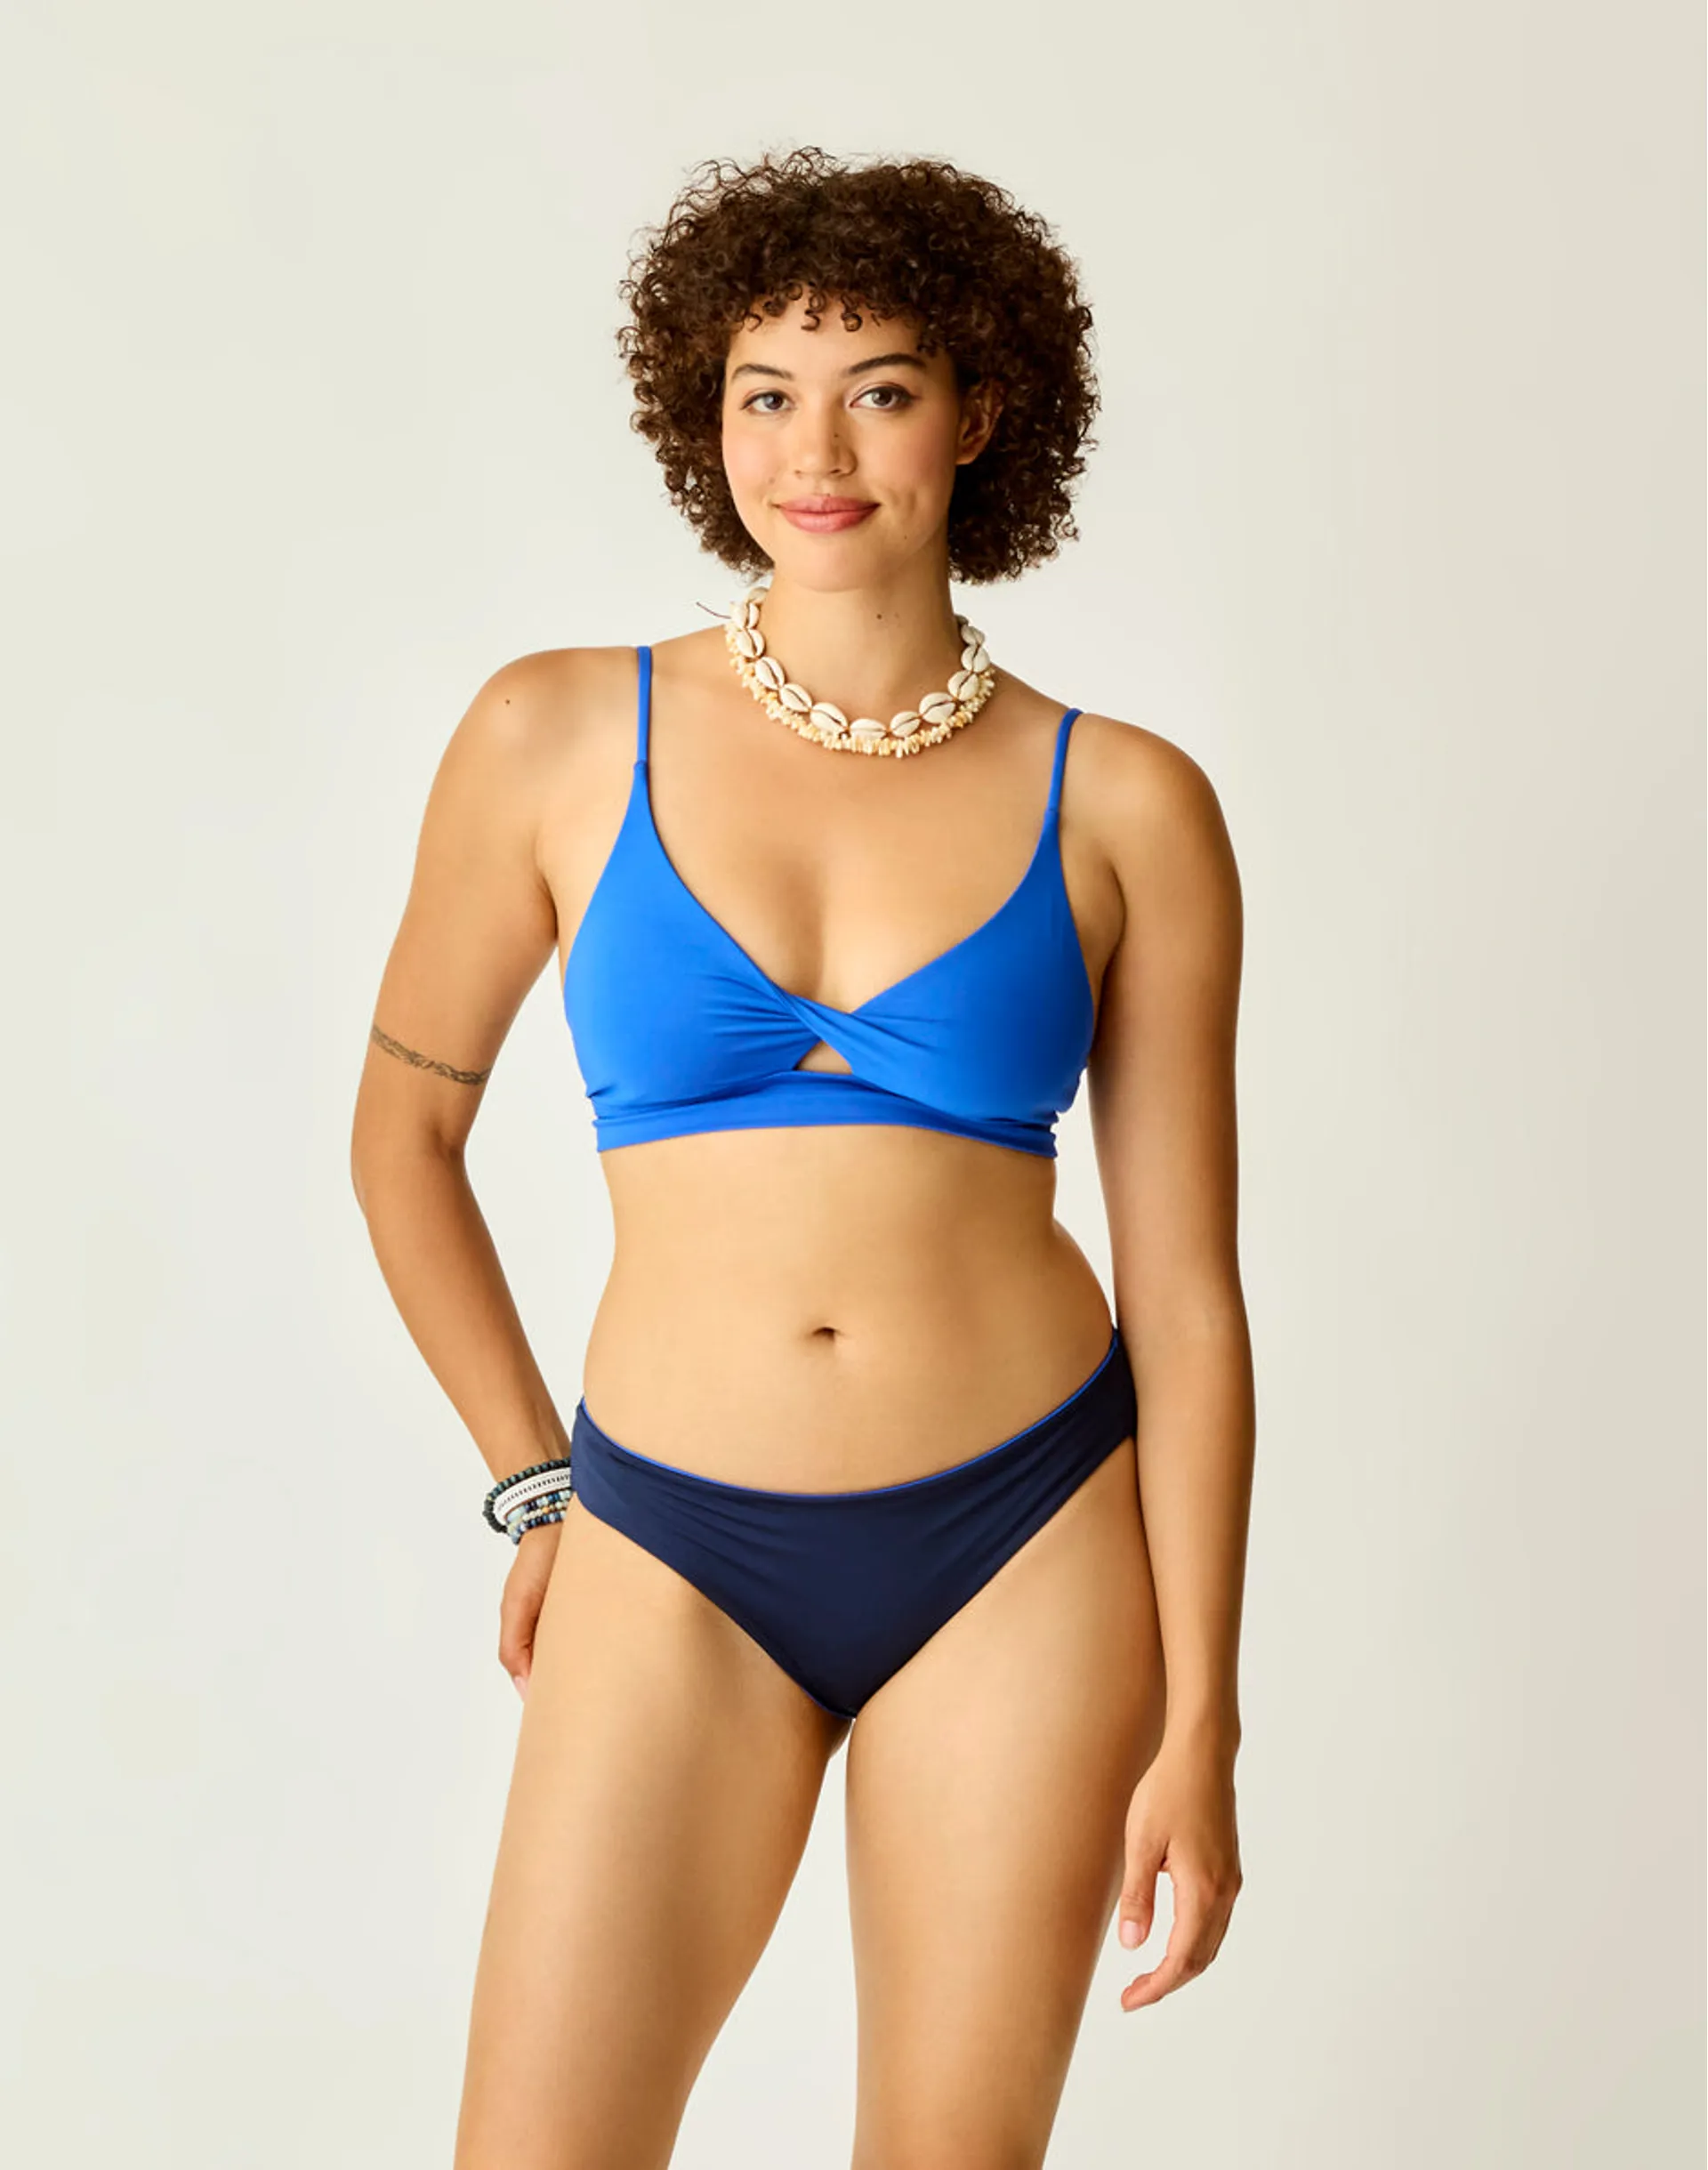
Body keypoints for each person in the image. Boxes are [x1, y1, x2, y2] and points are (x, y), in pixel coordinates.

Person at [351, 145, 1255, 2170]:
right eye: (765, 393)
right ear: (708, 412)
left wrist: (1204, 1713)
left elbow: (1188, 1299)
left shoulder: (1128, 803)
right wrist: (533, 1481)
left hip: (1025, 1540)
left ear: (984, 412)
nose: (815, 453)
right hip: (669, 1537)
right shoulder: (553, 736)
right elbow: (402, 1133)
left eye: (881, 391)